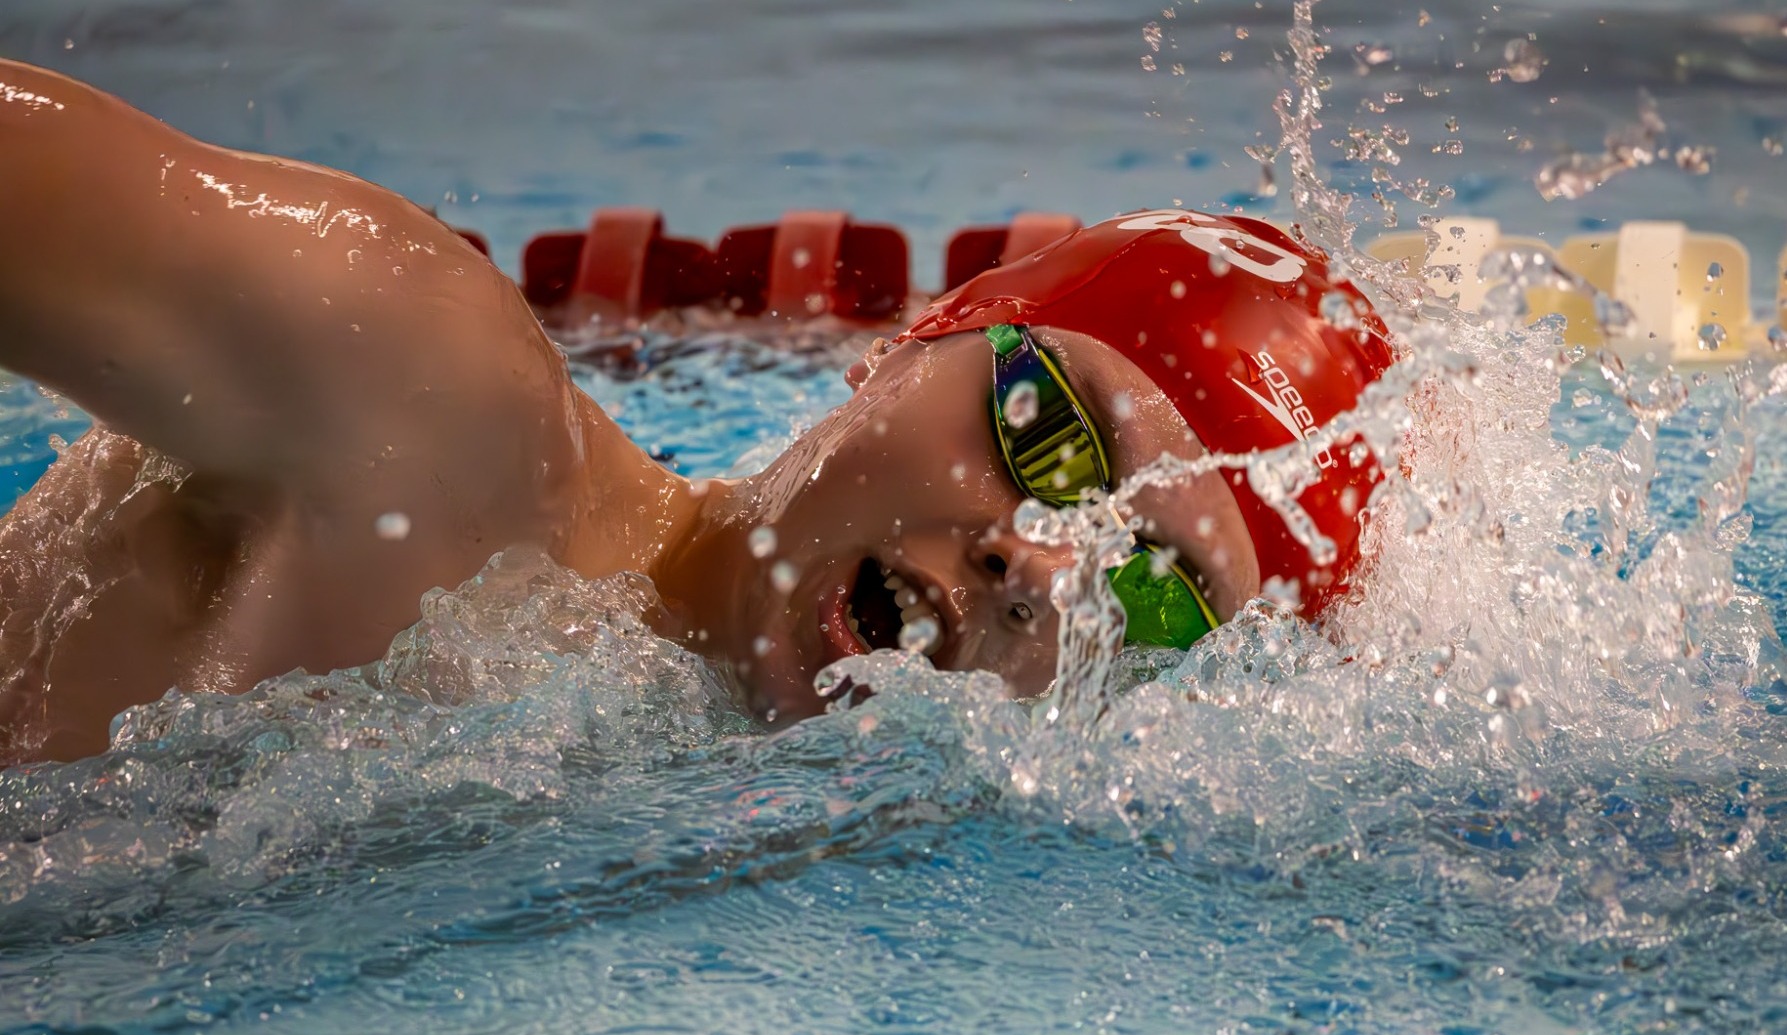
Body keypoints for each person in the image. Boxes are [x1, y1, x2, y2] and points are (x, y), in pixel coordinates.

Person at [0, 60, 1393, 766]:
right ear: (914, 338)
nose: (1041, 566)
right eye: (1045, 432)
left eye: (1155, 592)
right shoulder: (429, 399)